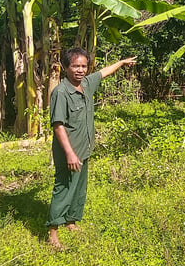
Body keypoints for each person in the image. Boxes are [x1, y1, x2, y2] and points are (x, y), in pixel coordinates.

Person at [46, 47, 136, 248]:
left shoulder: (86, 84)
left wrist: (121, 63)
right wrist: (69, 153)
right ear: (65, 67)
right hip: (69, 152)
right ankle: (53, 232)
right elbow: (58, 126)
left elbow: (104, 72)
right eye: (75, 66)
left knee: (78, 189)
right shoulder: (61, 92)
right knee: (64, 189)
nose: (80, 70)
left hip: (84, 149)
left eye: (83, 66)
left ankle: (71, 221)